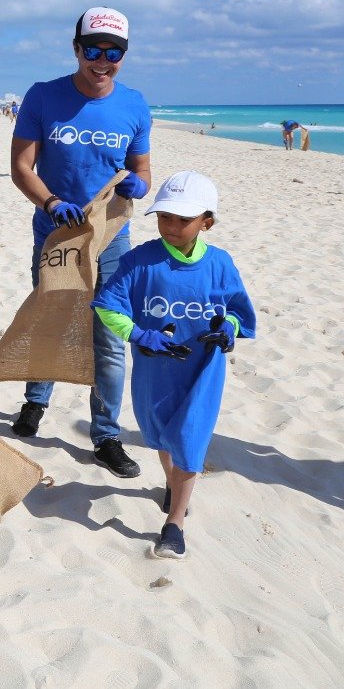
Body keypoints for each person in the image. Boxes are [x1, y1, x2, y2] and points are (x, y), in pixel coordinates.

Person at [8, 6, 152, 478]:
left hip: (111, 238)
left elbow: (143, 171)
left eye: (114, 53)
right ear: (76, 48)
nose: (102, 60)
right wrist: (51, 203)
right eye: (93, 49)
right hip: (56, 232)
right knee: (50, 321)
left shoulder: (134, 104)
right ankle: (36, 401)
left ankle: (107, 435)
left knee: (109, 337)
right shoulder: (43, 97)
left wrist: (139, 186)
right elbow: (22, 168)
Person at [92, 171, 255, 558]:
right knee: (163, 436)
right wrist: (138, 335)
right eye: (165, 217)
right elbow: (107, 306)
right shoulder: (139, 261)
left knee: (189, 438)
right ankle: (172, 484)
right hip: (155, 370)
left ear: (207, 222)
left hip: (203, 371)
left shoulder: (219, 263)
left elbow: (236, 310)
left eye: (184, 219)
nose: (172, 226)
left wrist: (227, 329)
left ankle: (174, 524)